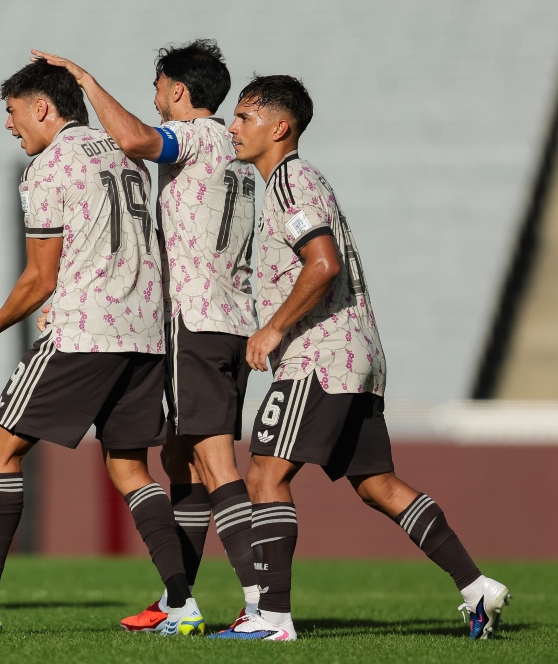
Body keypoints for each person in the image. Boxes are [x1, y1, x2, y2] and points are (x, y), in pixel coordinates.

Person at [211, 75, 510, 641]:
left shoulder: (289, 182)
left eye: (245, 117)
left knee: (264, 474)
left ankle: (272, 618)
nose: (233, 128)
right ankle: (477, 588)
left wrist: (273, 328)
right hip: (357, 353)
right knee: (378, 485)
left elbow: (323, 264)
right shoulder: (301, 180)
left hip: (320, 356)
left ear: (280, 127)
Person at [0, 60, 202, 637]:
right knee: (128, 467)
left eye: (12, 111)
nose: (9, 125)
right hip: (144, 334)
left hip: (85, 331)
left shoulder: (48, 167)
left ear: (41, 107)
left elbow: (40, 278)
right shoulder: (122, 152)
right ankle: (181, 603)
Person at [34, 41, 262, 628]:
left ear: (179, 91)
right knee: (180, 458)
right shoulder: (236, 148)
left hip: (195, 321)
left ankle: (265, 606)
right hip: (233, 320)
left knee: (214, 461)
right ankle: (177, 600)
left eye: (159, 85)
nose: (154, 95)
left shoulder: (199, 135)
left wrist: (85, 80)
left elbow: (137, 141)